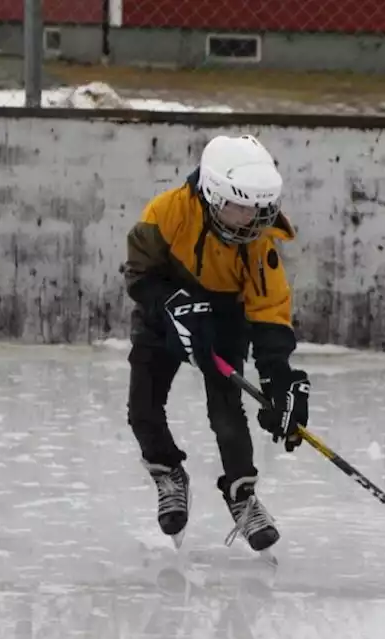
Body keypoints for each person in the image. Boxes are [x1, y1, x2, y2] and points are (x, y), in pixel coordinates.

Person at [122, 134, 311, 552]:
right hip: (163, 311)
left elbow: (268, 312)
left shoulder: (260, 243)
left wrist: (280, 378)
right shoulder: (167, 212)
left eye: (259, 209)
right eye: (239, 207)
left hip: (225, 318)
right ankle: (168, 471)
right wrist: (173, 306)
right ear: (210, 193)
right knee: (143, 408)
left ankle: (242, 495)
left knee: (228, 414)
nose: (251, 220)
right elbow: (139, 273)